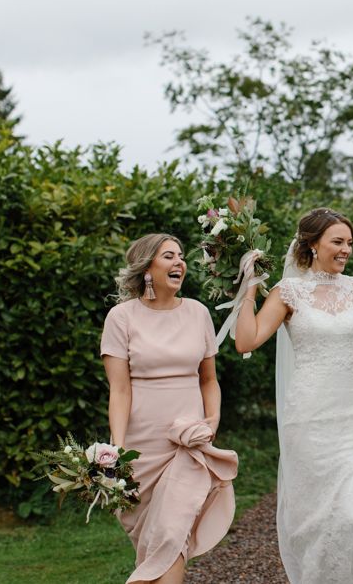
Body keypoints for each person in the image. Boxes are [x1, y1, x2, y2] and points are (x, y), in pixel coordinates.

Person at [234, 208, 353, 584]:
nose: (346, 249)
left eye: (349, 242)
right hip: (309, 416)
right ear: (312, 244)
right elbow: (245, 341)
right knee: (316, 518)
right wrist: (250, 287)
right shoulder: (289, 292)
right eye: (337, 241)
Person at [101, 234, 238, 584]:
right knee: (152, 546)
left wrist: (212, 422)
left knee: (171, 538)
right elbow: (119, 389)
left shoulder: (198, 313)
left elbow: (209, 380)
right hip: (142, 447)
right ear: (147, 267)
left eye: (181, 256)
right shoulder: (121, 317)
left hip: (186, 443)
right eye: (168, 256)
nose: (180, 262)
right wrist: (117, 449)